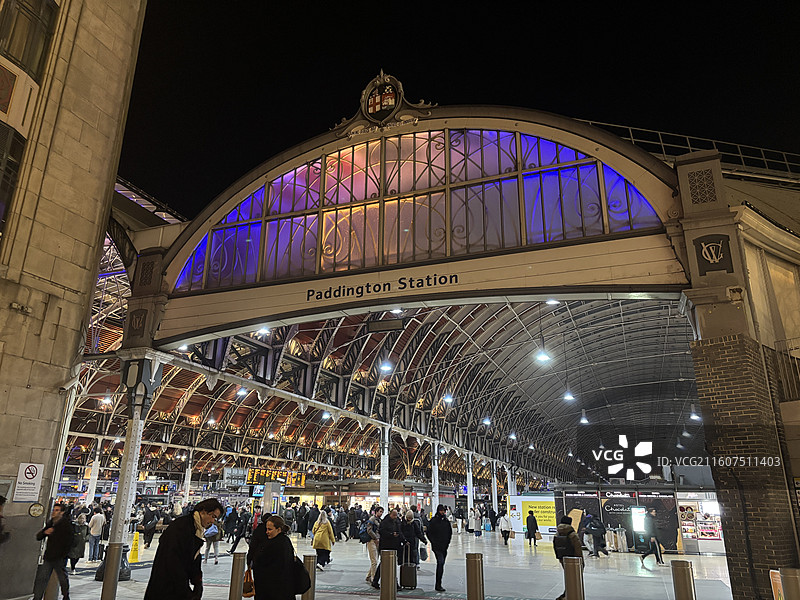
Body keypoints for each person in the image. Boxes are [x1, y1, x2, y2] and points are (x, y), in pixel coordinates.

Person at [144, 497, 223, 600]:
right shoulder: (182, 527)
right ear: (203, 511)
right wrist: (186, 591)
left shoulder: (196, 529)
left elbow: (194, 558)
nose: (213, 521)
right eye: (213, 516)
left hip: (176, 586)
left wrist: (197, 582)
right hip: (166, 586)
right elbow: (173, 561)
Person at [247, 514, 295, 600]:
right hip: (279, 589)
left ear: (278, 530)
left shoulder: (276, 544)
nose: (267, 532)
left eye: (270, 529)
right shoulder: (284, 541)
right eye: (266, 529)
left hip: (272, 590)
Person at [32, 503, 73, 600]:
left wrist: (63, 555)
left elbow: (69, 541)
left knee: (62, 578)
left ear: (62, 512)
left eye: (57, 510)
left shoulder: (66, 525)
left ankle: (66, 596)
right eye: (54, 510)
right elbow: (39, 536)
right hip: (49, 556)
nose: (54, 512)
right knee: (42, 578)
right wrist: (45, 532)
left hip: (59, 557)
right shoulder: (51, 523)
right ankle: (37, 597)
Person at [372, 508, 404, 590]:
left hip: (394, 545)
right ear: (390, 514)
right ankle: (377, 581)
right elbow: (382, 532)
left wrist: (403, 540)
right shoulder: (385, 522)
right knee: (384, 563)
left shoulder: (397, 521)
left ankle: (393, 583)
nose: (395, 517)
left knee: (391, 564)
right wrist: (391, 534)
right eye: (394, 515)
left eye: (396, 515)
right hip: (386, 546)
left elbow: (400, 532)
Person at [552, 516, 583, 600]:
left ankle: (566, 594)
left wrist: (559, 558)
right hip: (573, 559)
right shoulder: (572, 534)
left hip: (563, 559)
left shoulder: (557, 533)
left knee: (568, 577)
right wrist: (581, 561)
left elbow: (555, 546)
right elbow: (578, 548)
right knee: (575, 579)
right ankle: (569, 595)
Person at [426, 504, 452, 593]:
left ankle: (439, 583)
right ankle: (438, 584)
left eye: (443, 511)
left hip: (444, 546)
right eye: (441, 511)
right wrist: (433, 542)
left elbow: (449, 532)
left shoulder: (446, 521)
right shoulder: (434, 521)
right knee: (440, 563)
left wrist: (447, 543)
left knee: (442, 564)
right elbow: (429, 532)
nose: (443, 512)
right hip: (437, 546)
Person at [365, 506, 383, 583]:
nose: (381, 513)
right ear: (376, 512)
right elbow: (369, 530)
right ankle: (373, 578)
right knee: (374, 561)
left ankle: (368, 576)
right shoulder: (372, 519)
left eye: (382, 512)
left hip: (378, 541)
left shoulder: (380, 520)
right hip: (371, 541)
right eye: (380, 511)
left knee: (375, 561)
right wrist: (375, 538)